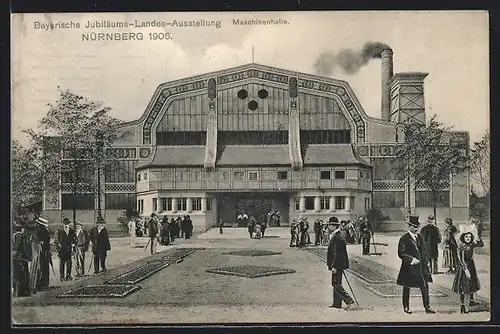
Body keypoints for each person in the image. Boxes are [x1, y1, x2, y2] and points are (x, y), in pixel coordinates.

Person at [397, 216, 435, 314]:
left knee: (425, 286)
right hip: (409, 267)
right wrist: (411, 259)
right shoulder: (404, 238)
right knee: (407, 287)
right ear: (409, 226)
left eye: (417, 226)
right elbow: (401, 253)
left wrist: (426, 262)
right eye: (414, 226)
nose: (416, 229)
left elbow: (424, 251)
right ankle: (406, 307)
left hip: (421, 267)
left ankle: (427, 307)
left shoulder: (420, 237)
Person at [326, 216, 355, 309]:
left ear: (334, 226)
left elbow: (337, 253)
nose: (328, 227)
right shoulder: (336, 236)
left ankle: (348, 300)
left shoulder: (337, 237)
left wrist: (334, 266)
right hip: (338, 264)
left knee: (335, 283)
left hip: (337, 264)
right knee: (337, 282)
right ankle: (337, 304)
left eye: (330, 225)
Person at [12, 220, 30, 297]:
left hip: (14, 257)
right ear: (22, 229)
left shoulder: (13, 236)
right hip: (22, 257)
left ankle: (16, 291)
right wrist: (28, 256)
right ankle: (23, 291)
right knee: (24, 274)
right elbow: (25, 248)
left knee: (15, 274)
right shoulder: (23, 237)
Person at [35, 217, 51, 290]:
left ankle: (42, 284)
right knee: (45, 268)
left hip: (43, 251)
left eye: (38, 224)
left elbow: (42, 242)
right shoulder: (45, 230)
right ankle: (45, 284)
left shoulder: (42, 231)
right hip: (45, 251)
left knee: (42, 267)